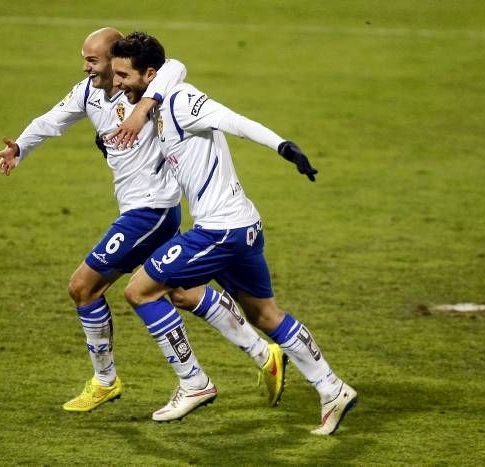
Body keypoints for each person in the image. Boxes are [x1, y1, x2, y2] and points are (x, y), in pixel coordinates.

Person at [0, 27, 287, 417]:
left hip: (152, 210)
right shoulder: (89, 93)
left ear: (119, 61)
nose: (85, 67)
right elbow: (51, 120)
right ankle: (262, 352)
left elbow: (175, 66)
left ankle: (135, 380)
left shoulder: (150, 88)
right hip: (138, 210)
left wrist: (144, 106)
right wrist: (21, 148)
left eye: (93, 60)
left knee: (84, 288)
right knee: (182, 291)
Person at [109, 31, 357, 435]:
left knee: (140, 290)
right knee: (262, 313)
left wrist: (284, 147)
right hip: (240, 226)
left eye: (123, 75)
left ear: (148, 74)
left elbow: (234, 121)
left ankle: (194, 383)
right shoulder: (153, 106)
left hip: (219, 231)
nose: (117, 83)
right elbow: (171, 74)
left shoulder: (182, 101)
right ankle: (332, 388)